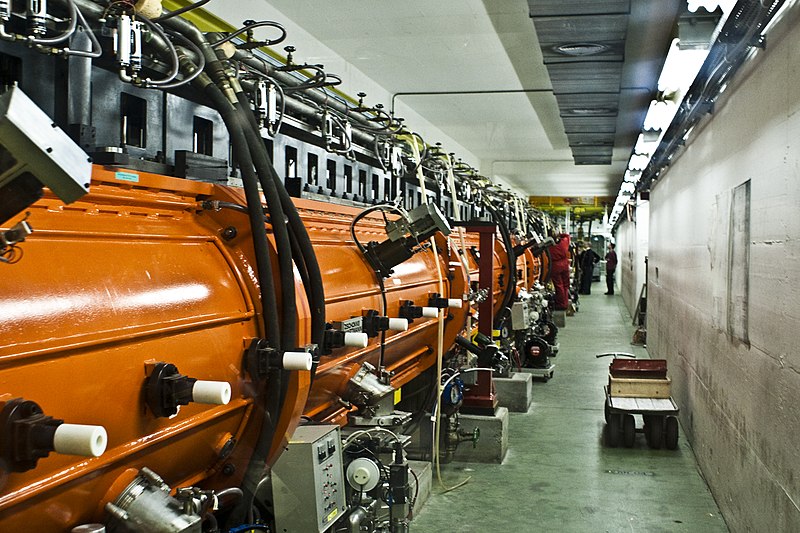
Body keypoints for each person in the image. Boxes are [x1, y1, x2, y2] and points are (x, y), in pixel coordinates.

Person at [548, 231, 571, 310]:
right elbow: (567, 236)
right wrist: (560, 234)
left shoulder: (550, 248)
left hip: (555, 267)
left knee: (559, 285)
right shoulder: (563, 244)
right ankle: (565, 302)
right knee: (565, 285)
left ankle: (561, 304)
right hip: (565, 265)